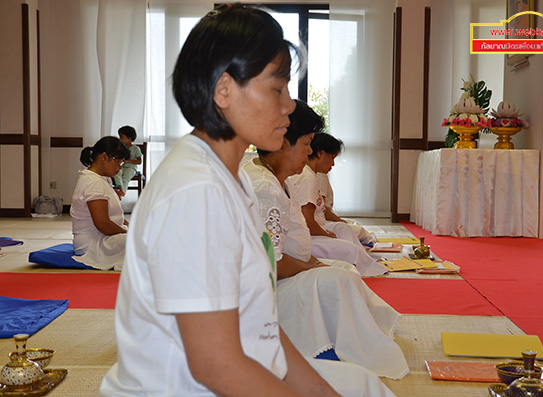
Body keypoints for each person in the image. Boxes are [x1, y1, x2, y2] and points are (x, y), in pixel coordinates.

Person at [100, 5, 394, 396]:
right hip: (182, 387)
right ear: (224, 90)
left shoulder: (232, 175)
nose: (289, 104)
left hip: (241, 367)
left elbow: (263, 326)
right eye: (277, 89)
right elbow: (216, 367)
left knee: (363, 384)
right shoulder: (195, 191)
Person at [244, 99, 409, 379]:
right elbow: (268, 264)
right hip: (267, 293)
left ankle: (348, 339)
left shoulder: (279, 179)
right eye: (306, 144)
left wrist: (314, 262)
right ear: (283, 143)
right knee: (337, 277)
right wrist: (312, 268)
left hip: (285, 274)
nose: (309, 152)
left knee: (344, 269)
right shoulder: (264, 187)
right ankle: (332, 346)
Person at [288, 132, 385, 277]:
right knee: (351, 250)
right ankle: (360, 261)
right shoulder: (307, 177)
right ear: (320, 153)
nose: (333, 164)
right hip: (308, 237)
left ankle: (364, 259)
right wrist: (326, 234)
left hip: (316, 230)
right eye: (332, 158)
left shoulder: (311, 175)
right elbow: (308, 221)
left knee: (343, 228)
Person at [70, 136, 130, 271]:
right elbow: (102, 223)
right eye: (119, 162)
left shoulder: (103, 179)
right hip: (93, 244)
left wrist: (130, 228)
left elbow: (115, 217)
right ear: (104, 157)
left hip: (104, 238)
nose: (120, 168)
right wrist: (130, 235)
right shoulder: (93, 182)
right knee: (143, 243)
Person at [317, 172, 376, 245]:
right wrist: (339, 221)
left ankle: (370, 242)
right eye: (331, 159)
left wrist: (340, 221)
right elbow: (322, 209)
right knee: (361, 231)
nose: (333, 164)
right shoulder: (318, 176)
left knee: (355, 224)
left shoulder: (319, 175)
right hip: (321, 221)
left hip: (324, 219)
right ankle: (372, 244)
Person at [113, 125, 142, 198]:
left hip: (131, 168)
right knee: (117, 173)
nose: (120, 139)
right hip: (123, 166)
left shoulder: (136, 148)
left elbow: (139, 161)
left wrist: (128, 160)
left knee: (125, 178)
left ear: (129, 138)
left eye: (122, 137)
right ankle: (119, 187)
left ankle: (122, 193)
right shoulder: (122, 148)